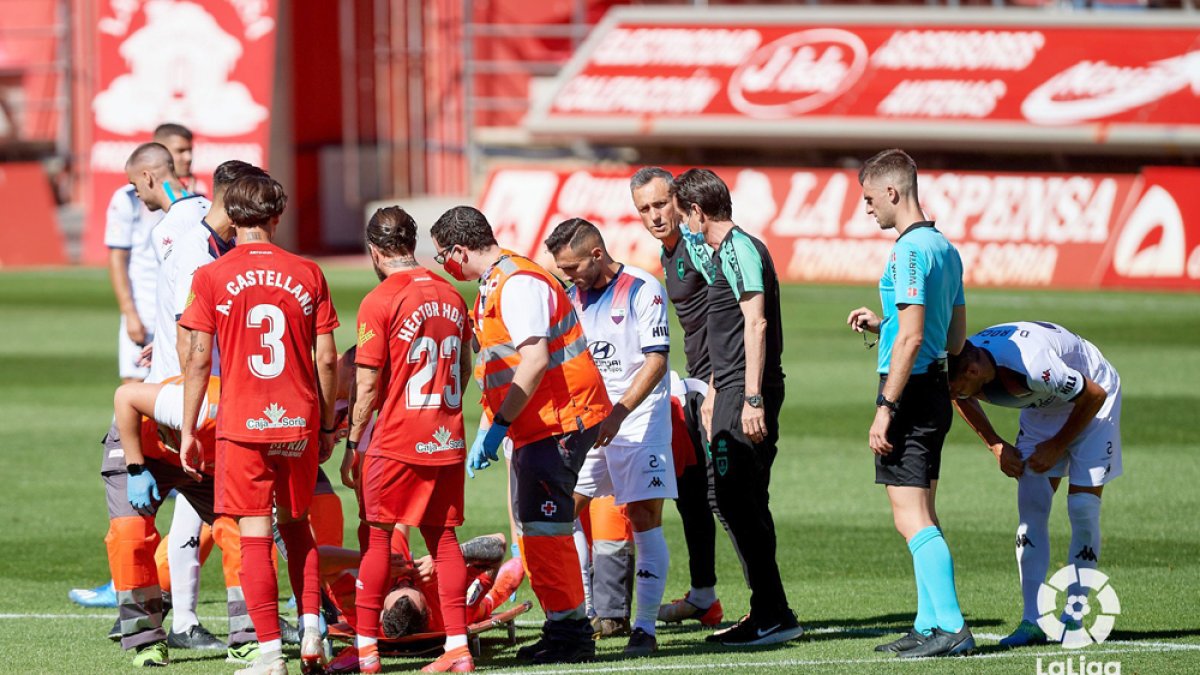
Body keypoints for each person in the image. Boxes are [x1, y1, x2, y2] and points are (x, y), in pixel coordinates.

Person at [430, 205, 612, 665]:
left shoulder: (518, 283)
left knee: (547, 530)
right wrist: (494, 426)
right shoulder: (497, 283)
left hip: (558, 420)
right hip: (540, 423)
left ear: (459, 249)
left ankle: (572, 635)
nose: (443, 267)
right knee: (538, 528)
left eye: (441, 257)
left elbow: (532, 362)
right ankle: (563, 627)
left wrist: (499, 428)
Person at [178, 173, 339, 675]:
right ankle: (313, 629)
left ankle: (269, 654)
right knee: (297, 528)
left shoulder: (211, 276)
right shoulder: (308, 272)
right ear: (277, 216)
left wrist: (187, 428)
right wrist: (328, 425)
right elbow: (328, 359)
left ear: (231, 213)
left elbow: (199, 359)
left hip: (243, 424)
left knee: (253, 538)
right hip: (297, 421)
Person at [845, 149, 972, 658]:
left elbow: (914, 336)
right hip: (935, 388)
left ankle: (953, 627)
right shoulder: (945, 247)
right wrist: (885, 324)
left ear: (893, 193)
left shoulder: (908, 251)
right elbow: (954, 338)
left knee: (909, 518)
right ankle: (928, 624)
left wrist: (885, 406)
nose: (868, 209)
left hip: (911, 393)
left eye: (871, 199)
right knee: (923, 512)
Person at [668, 168, 802, 647]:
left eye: (683, 216)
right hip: (727, 389)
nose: (681, 225)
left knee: (736, 499)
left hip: (745, 391)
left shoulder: (741, 248)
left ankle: (774, 614)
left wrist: (749, 397)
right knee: (736, 499)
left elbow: (756, 324)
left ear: (698, 213)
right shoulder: (723, 252)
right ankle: (767, 609)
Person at [339, 206, 475, 674]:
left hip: (396, 440)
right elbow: (466, 369)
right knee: (444, 541)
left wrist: (355, 442)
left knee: (378, 540)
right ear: (411, 245)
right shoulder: (452, 296)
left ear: (375, 251)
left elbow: (369, 384)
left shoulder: (380, 300)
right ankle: (457, 650)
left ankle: (367, 654)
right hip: (447, 437)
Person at [544, 218, 676, 657]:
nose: (568, 276)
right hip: (588, 420)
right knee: (563, 513)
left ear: (597, 255)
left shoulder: (642, 287)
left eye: (573, 267)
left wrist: (618, 414)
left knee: (642, 516)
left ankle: (644, 629)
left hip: (637, 419)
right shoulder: (568, 297)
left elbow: (656, 360)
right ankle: (580, 617)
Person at [948, 321, 1121, 648]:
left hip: (1094, 396)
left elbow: (1093, 395)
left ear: (973, 371)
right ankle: (1034, 621)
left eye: (957, 387)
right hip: (1042, 407)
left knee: (1082, 508)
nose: (954, 396)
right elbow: (960, 397)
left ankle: (1075, 617)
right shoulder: (963, 359)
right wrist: (995, 444)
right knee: (1032, 505)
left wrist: (1058, 445)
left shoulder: (1033, 365)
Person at [630, 166, 731, 628]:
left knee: (728, 499)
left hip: (720, 384)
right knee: (691, 492)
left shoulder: (698, 247)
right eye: (644, 209)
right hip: (696, 383)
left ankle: (770, 607)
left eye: (659, 204)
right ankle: (704, 595)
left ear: (679, 201)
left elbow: (727, 310)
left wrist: (718, 383)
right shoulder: (669, 251)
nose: (653, 216)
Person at [322, 533, 526, 673]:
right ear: (427, 609)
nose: (404, 578)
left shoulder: (363, 613)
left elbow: (317, 558)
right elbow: (499, 543)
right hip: (472, 608)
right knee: (516, 569)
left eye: (400, 586)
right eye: (409, 585)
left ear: (382, 611)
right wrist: (446, 558)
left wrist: (370, 561)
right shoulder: (451, 611)